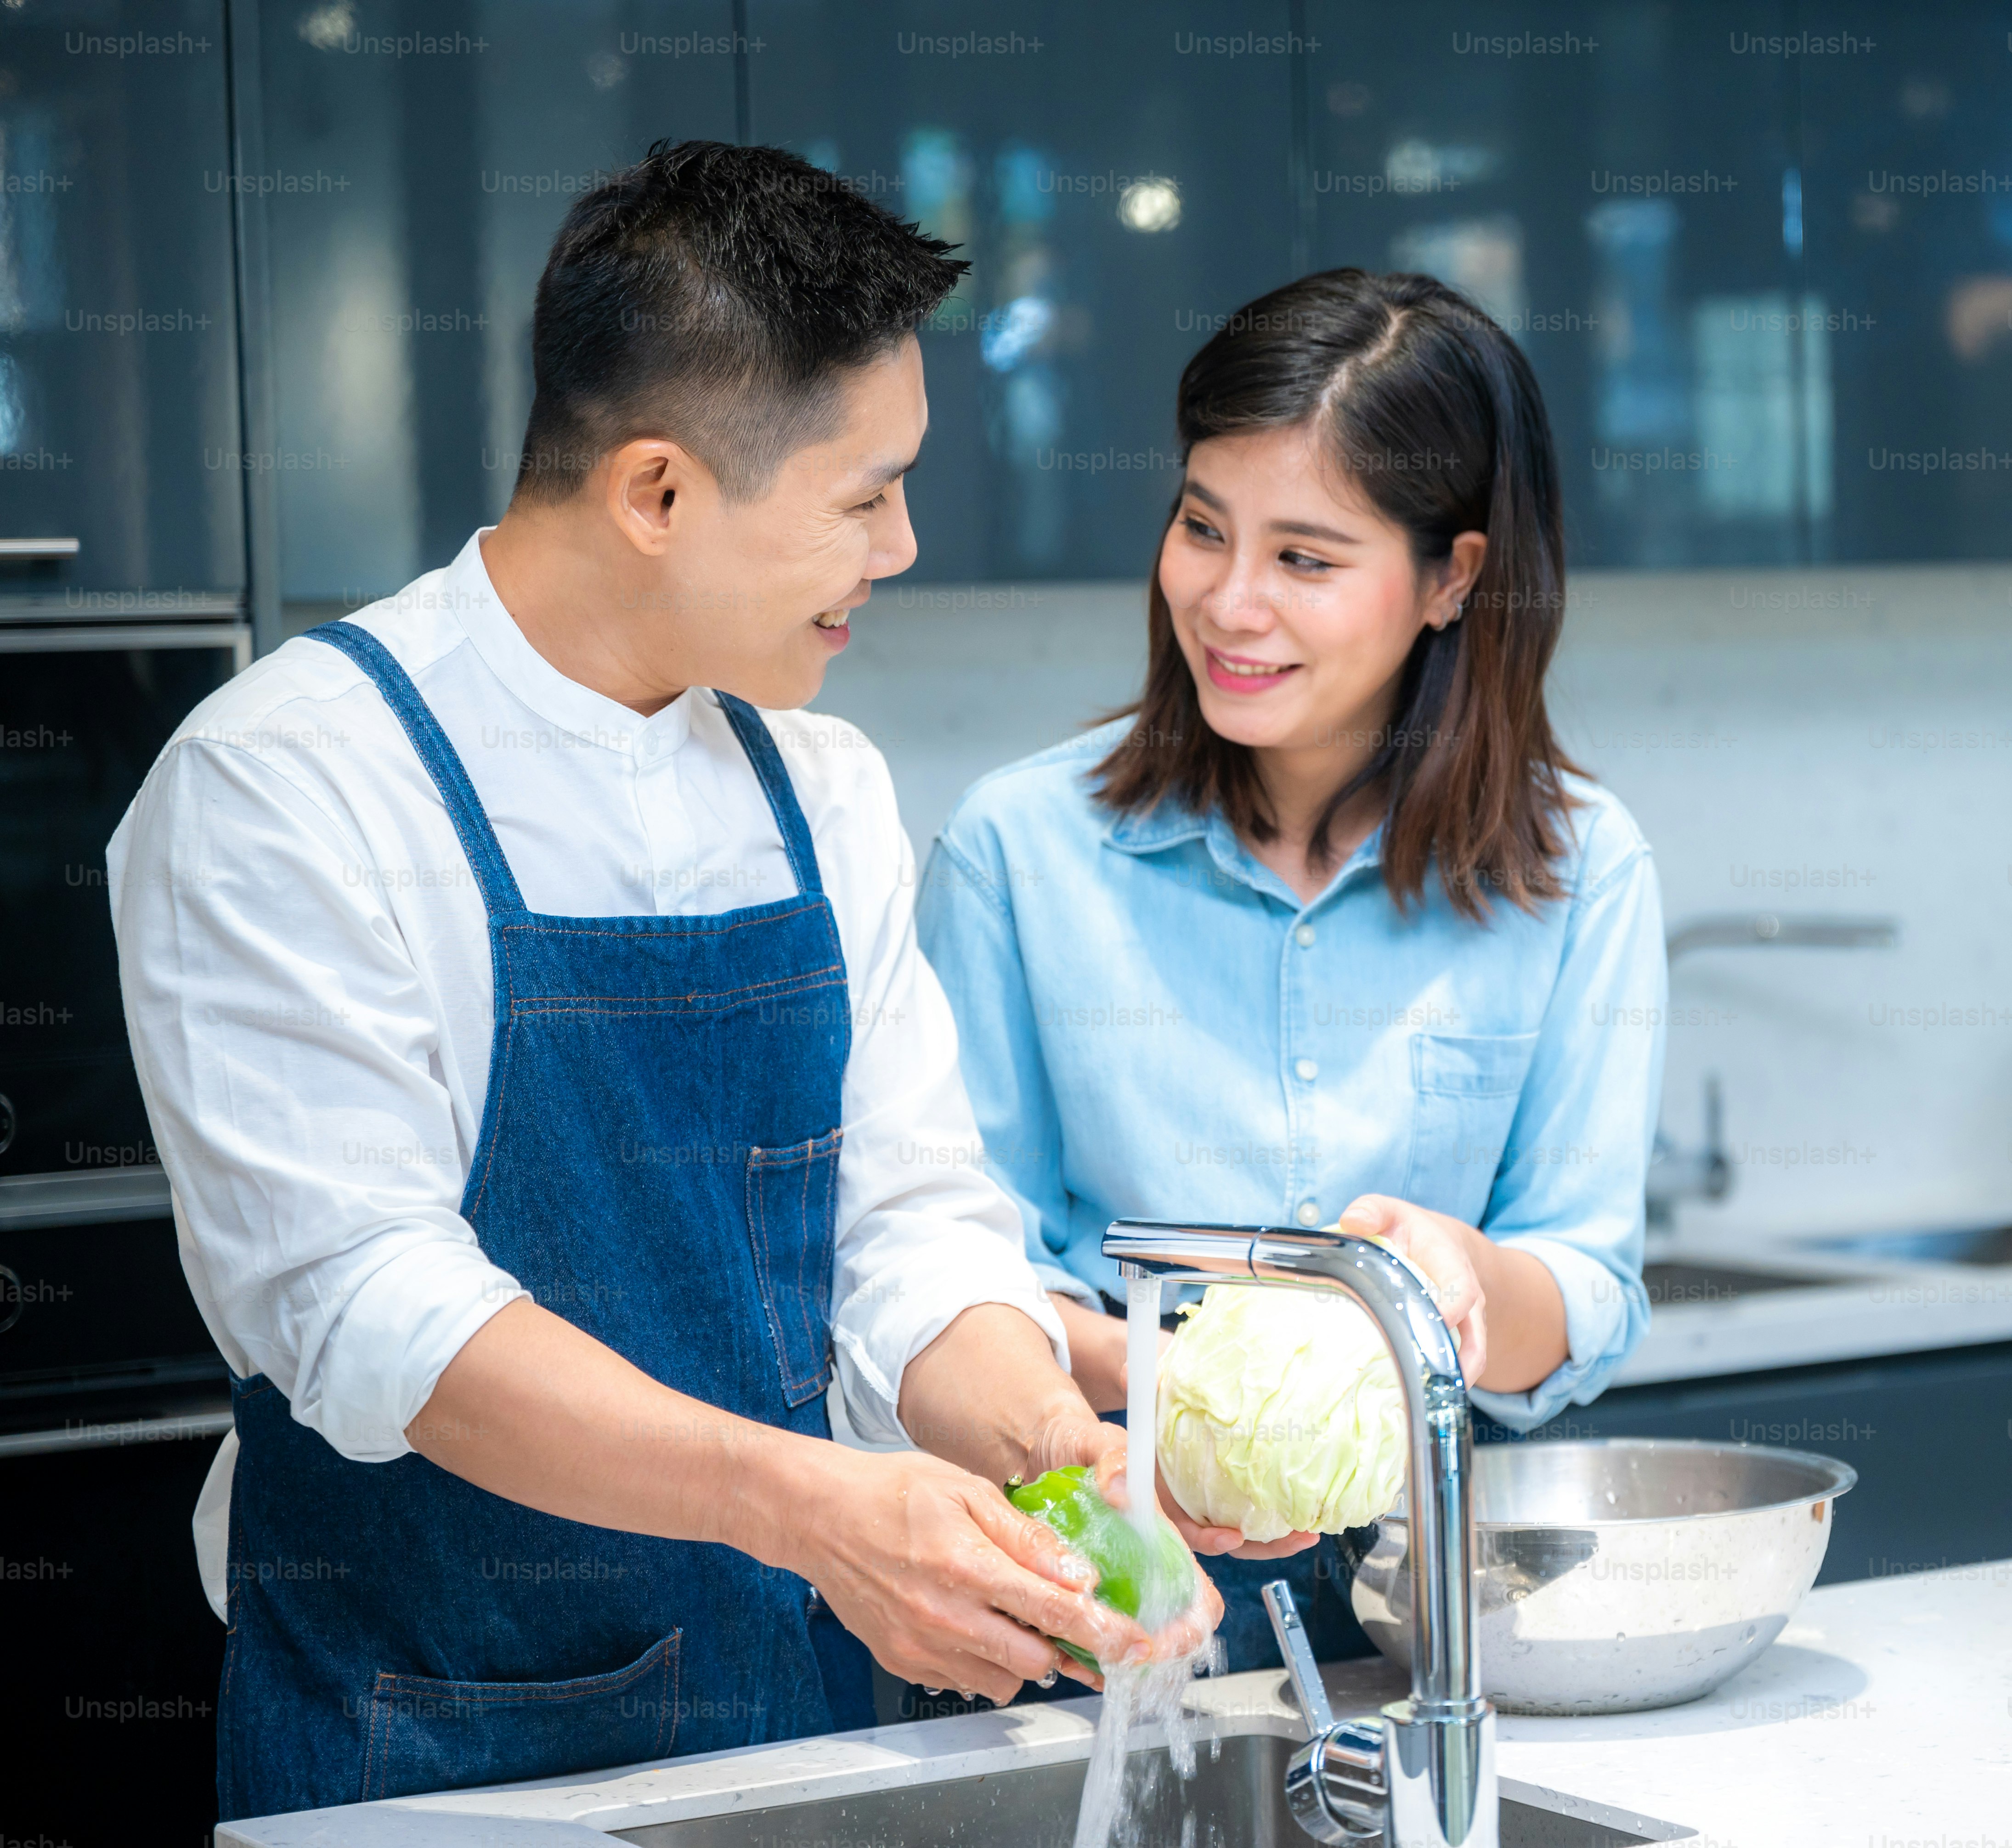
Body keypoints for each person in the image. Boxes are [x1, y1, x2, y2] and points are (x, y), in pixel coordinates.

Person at [108, 142, 1225, 1824]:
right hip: (439, 1754)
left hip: (821, 1729)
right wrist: (814, 1508)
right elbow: (373, 1309)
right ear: (656, 495)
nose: (904, 546)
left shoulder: (820, 789)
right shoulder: (288, 786)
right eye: (865, 497)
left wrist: (1051, 1449)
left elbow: (909, 1229)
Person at [920, 269, 1664, 1672]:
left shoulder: (1583, 871)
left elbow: (1588, 1285)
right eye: (1204, 528)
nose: (1230, 602)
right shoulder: (1017, 853)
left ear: (1455, 577)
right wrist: (1196, 1412)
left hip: (1433, 1614)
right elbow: (959, 1271)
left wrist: (1453, 1291)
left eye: (1307, 560)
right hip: (1100, 1565)